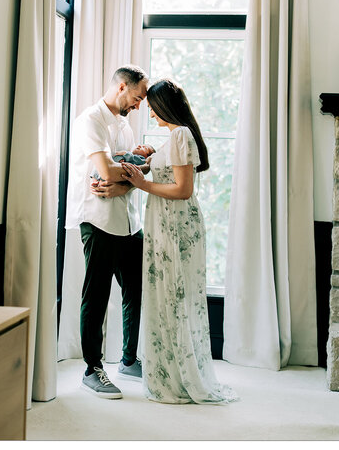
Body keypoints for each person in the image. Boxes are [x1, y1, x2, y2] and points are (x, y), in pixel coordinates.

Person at [120, 79, 239, 404]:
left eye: (152, 105)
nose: (148, 111)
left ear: (163, 106)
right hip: (165, 224)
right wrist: (150, 158)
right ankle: (171, 371)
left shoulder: (180, 135)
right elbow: (172, 173)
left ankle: (177, 377)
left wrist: (142, 183)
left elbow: (183, 190)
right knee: (168, 296)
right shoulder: (175, 137)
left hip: (174, 226)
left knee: (173, 297)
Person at [65, 65, 149, 400]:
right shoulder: (91, 120)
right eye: (138, 97)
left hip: (128, 219)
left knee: (135, 289)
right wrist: (128, 172)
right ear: (122, 87)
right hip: (97, 218)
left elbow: (134, 171)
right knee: (96, 294)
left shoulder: (125, 125)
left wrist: (125, 183)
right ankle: (91, 368)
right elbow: (104, 170)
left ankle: (129, 360)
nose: (139, 105)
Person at [91, 144, 155, 182]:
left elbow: (137, 160)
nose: (139, 146)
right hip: (107, 167)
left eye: (144, 147)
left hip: (112, 172)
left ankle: (97, 180)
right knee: (97, 170)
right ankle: (94, 179)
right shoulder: (130, 154)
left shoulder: (141, 160)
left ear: (147, 156)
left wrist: (125, 154)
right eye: (141, 145)